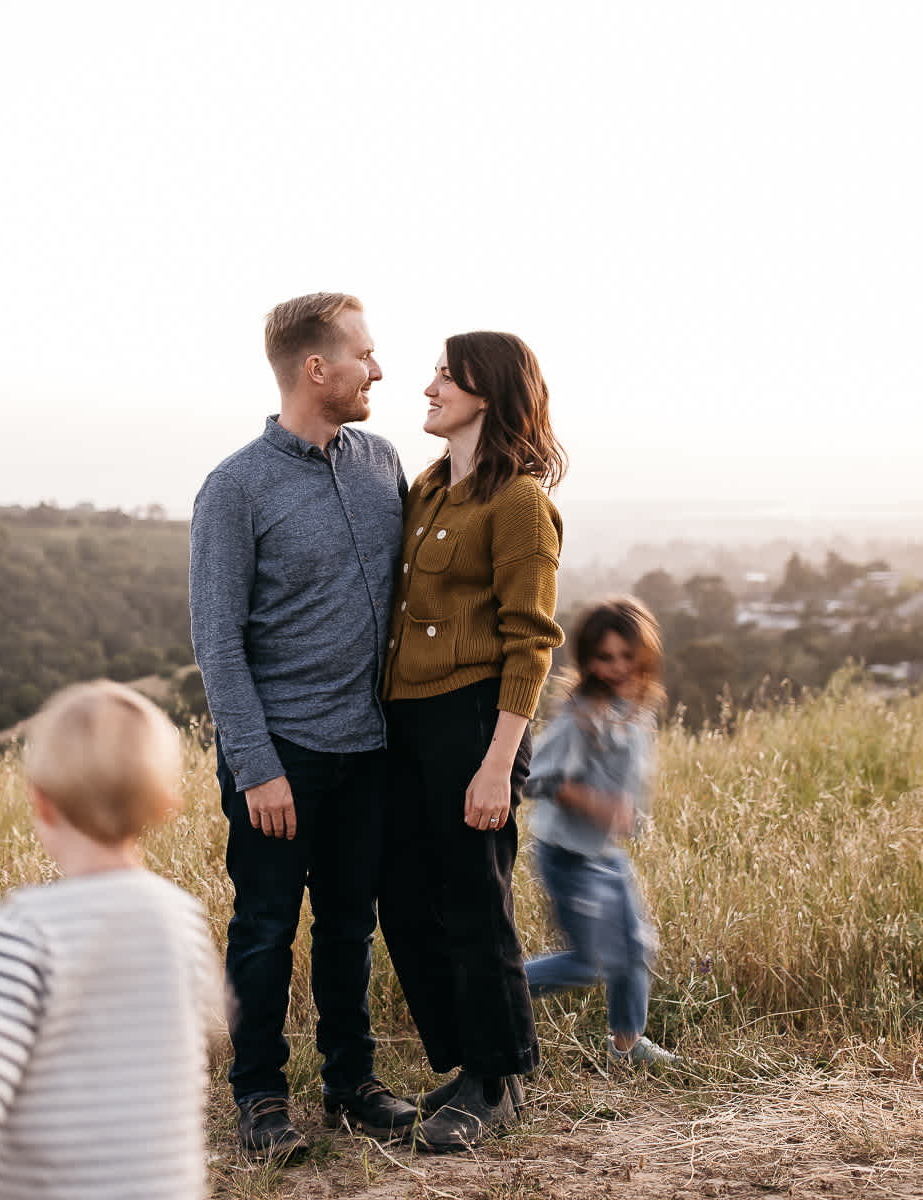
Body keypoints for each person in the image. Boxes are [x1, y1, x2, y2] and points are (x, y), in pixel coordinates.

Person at [189, 292, 417, 1160]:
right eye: (364, 353)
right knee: (264, 928)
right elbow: (216, 638)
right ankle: (259, 1099)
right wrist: (255, 765)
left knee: (350, 925)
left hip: (368, 750)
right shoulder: (235, 487)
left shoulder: (380, 460)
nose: (378, 369)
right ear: (316, 368)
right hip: (279, 752)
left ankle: (351, 1084)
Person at [0, 681, 223, 1200]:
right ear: (165, 804)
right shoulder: (182, 916)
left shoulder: (28, 926)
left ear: (42, 804)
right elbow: (207, 1034)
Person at [379, 330, 566, 1152]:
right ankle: (464, 1064)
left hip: (475, 721)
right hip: (405, 721)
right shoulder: (423, 491)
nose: (426, 388)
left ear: (484, 392)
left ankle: (494, 1077)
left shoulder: (519, 501)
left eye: (443, 378)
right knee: (402, 899)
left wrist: (497, 764)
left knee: (471, 901)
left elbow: (531, 639)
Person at [523, 597, 677, 1067]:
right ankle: (489, 989)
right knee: (589, 961)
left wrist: (625, 813)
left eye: (627, 656)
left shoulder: (633, 710)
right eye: (605, 657)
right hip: (567, 856)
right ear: (588, 660)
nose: (617, 667)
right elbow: (534, 779)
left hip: (603, 853)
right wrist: (597, 803)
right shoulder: (578, 717)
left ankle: (625, 1048)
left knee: (634, 947)